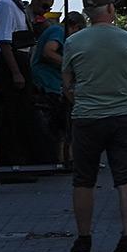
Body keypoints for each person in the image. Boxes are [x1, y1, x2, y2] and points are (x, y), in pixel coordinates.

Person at [62, 0, 127, 252]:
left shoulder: (74, 42)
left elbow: (67, 86)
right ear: (111, 8)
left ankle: (84, 240)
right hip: (123, 116)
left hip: (86, 118)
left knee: (84, 180)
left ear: (86, 11)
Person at [0, 0, 38, 165]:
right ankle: (11, 160)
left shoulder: (16, 5)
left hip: (21, 58)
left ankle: (21, 157)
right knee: (13, 114)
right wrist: (16, 72)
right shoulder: (7, 6)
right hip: (14, 60)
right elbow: (5, 42)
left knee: (22, 112)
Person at [31, 11, 86, 162]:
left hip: (51, 82)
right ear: (75, 26)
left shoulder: (57, 30)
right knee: (60, 120)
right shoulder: (59, 31)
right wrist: (70, 65)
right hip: (47, 82)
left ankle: (62, 157)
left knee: (61, 121)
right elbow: (48, 52)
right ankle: (61, 158)